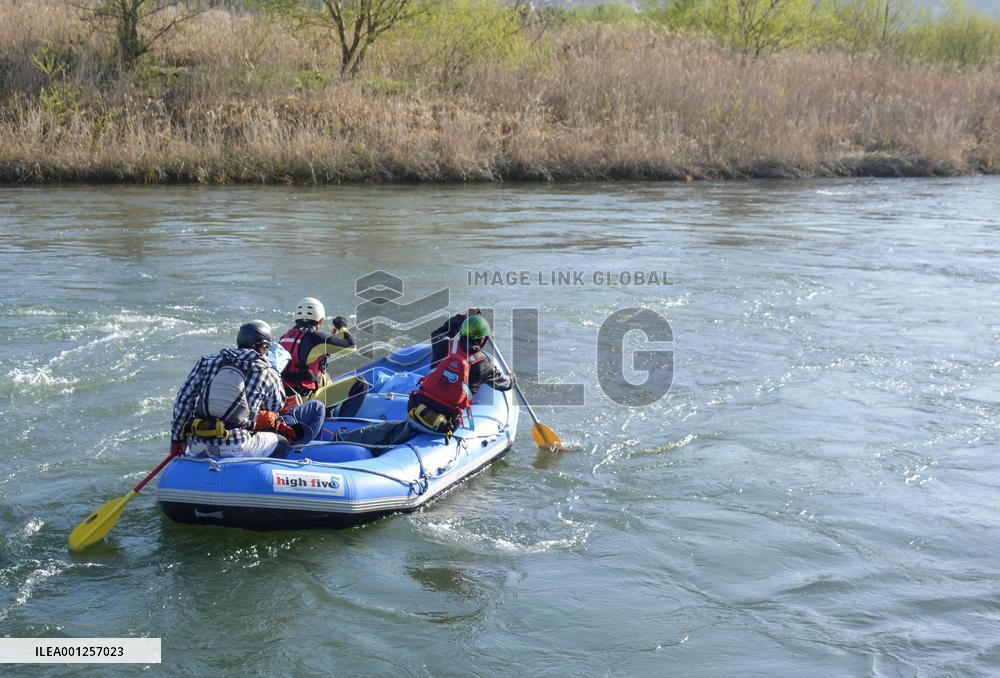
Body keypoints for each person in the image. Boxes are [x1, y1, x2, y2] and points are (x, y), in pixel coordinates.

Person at [338, 313, 515, 448]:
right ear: (483, 340)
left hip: (415, 409)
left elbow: (440, 332)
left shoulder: (444, 345)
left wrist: (461, 318)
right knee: (404, 429)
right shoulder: (483, 365)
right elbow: (505, 384)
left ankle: (347, 439)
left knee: (397, 428)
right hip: (442, 424)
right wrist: (513, 377)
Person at [170, 320, 315, 459]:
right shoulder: (269, 373)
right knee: (282, 443)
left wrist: (177, 439)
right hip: (236, 446)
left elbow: (184, 400)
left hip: (197, 444)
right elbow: (275, 407)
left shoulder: (207, 362)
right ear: (263, 347)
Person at [278, 297, 369, 417]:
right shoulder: (316, 338)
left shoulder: (284, 338)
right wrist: (342, 326)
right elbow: (351, 346)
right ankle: (341, 426)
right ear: (320, 321)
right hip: (306, 402)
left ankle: (326, 414)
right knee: (360, 384)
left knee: (326, 376)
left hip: (286, 400)